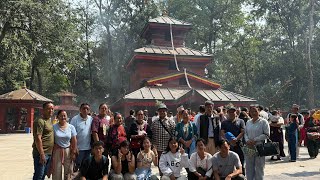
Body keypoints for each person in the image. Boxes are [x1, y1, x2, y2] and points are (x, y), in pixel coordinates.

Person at [49, 110, 77, 180]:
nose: (63, 117)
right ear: (58, 117)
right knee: (56, 171)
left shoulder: (71, 127)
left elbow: (74, 140)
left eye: (65, 115)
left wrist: (73, 151)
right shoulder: (53, 127)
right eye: (61, 115)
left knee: (69, 171)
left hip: (68, 150)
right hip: (57, 151)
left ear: (67, 117)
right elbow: (51, 139)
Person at [244, 105, 270, 180]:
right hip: (249, 147)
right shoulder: (248, 122)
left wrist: (255, 140)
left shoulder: (263, 122)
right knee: (249, 167)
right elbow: (245, 133)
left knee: (259, 167)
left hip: (259, 147)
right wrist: (247, 140)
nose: (254, 113)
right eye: (252, 111)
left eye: (255, 111)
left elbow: (267, 134)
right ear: (249, 113)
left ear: (259, 111)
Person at [32, 102, 55, 180]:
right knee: (39, 175)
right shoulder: (39, 121)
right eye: (48, 108)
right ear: (43, 110)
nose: (51, 110)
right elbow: (38, 138)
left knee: (43, 175)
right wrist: (42, 154)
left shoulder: (49, 120)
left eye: (52, 109)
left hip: (49, 153)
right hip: (41, 153)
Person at [151, 103, 176, 175]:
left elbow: (174, 134)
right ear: (158, 112)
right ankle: (162, 176)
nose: (162, 112)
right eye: (160, 111)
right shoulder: (154, 122)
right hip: (158, 148)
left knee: (169, 164)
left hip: (168, 147)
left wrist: (173, 146)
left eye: (163, 111)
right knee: (160, 164)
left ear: (166, 112)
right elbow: (152, 134)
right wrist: (153, 146)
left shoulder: (171, 121)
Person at [220, 106, 245, 175]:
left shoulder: (241, 121)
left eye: (233, 112)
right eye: (230, 112)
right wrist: (229, 140)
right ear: (227, 113)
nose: (231, 113)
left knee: (241, 162)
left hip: (239, 144)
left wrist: (236, 139)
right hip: (228, 145)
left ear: (236, 112)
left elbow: (242, 132)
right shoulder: (224, 122)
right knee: (229, 163)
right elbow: (222, 132)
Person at [70, 103, 93, 171]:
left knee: (86, 167)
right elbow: (71, 135)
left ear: (89, 110)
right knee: (76, 167)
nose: (85, 110)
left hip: (88, 149)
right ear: (80, 110)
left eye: (87, 109)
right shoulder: (75, 119)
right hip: (78, 149)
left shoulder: (91, 119)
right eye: (83, 108)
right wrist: (74, 147)